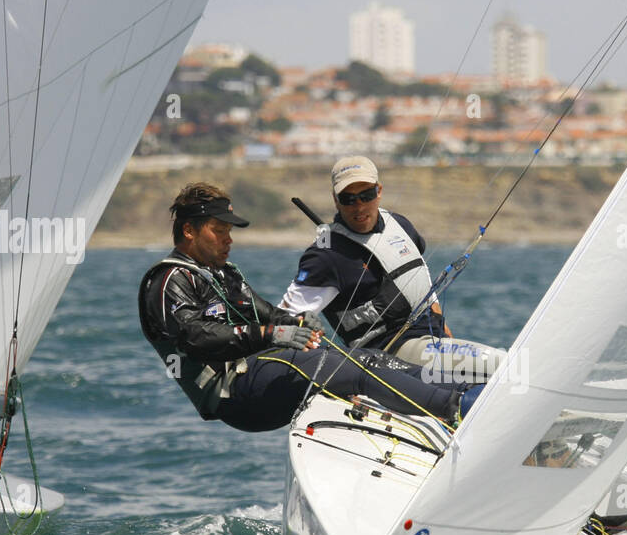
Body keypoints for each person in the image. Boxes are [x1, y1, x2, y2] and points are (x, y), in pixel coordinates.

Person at [138, 183, 480, 432]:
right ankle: (456, 410)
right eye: (219, 231)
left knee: (364, 359)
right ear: (188, 230)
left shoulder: (222, 274)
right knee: (349, 372)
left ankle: (463, 392)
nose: (229, 239)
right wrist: (274, 333)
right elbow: (195, 338)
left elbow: (267, 314)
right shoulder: (169, 280)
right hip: (232, 393)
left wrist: (298, 322)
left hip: (260, 371)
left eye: (230, 231)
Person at [279, 156, 504, 382]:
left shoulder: (399, 224)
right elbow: (285, 317)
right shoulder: (325, 256)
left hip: (432, 341)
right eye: (348, 199)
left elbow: (419, 276)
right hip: (390, 356)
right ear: (335, 200)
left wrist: (441, 323)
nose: (359, 207)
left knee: (503, 368)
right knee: (506, 366)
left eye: (366, 195)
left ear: (379, 191)